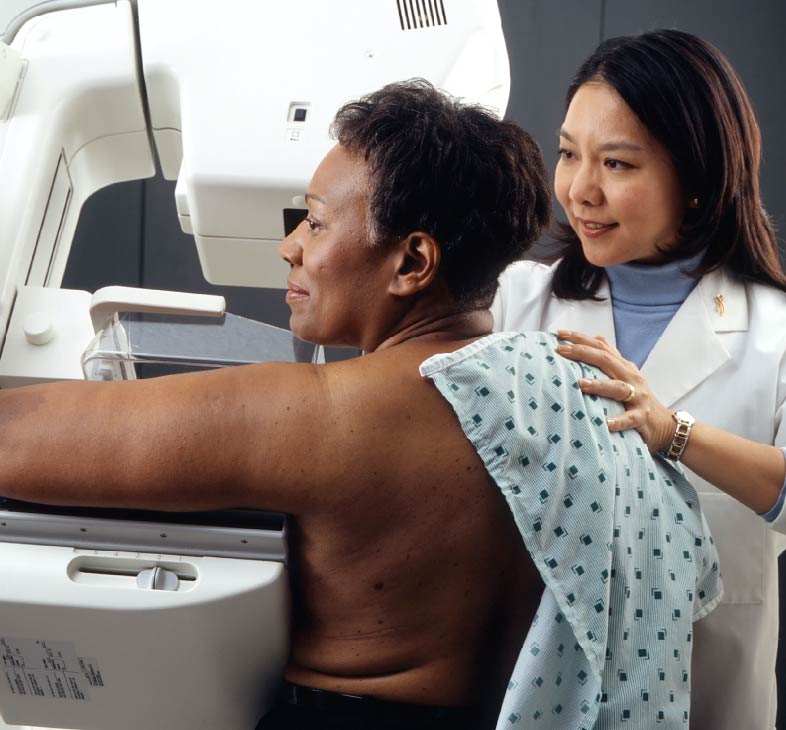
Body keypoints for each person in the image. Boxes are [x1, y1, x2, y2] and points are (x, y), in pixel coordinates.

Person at [0, 80, 720, 730]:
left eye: (314, 222)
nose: (290, 247)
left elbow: (12, 440)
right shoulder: (587, 401)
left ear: (411, 262)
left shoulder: (334, 416)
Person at [492, 29, 786, 730]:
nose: (579, 190)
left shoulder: (774, 332)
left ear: (696, 182)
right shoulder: (516, 301)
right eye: (568, 154)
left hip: (709, 696)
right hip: (537, 694)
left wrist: (672, 432)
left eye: (617, 164)